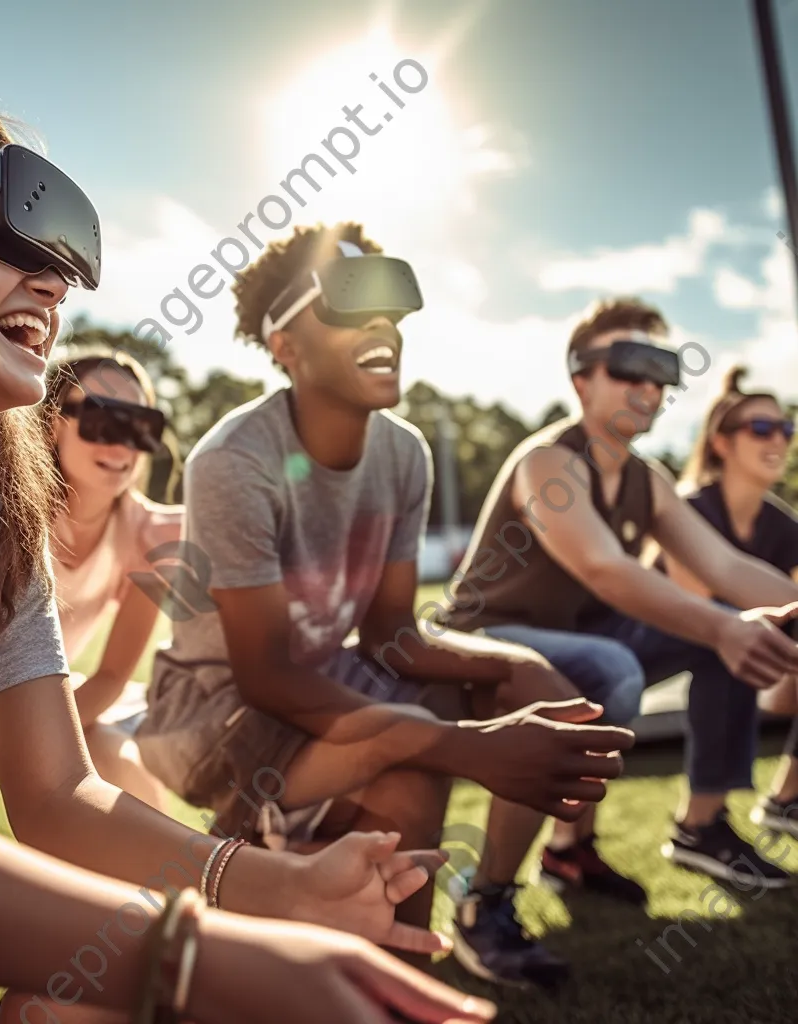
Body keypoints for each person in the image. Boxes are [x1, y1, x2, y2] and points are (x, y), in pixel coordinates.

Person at [0, 102, 501, 1024]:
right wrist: (194, 958)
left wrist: (273, 889)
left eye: (70, 250)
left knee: (101, 995)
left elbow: (60, 795)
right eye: (14, 224)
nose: (54, 278)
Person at [136, 222, 637, 991]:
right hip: (218, 712)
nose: (382, 328)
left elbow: (392, 636)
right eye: (348, 305)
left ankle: (481, 913)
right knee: (415, 763)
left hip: (324, 675)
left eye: (392, 310)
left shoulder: (404, 452)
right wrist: (468, 747)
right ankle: (361, 960)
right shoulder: (235, 459)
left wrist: (517, 671)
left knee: (525, 687)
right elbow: (267, 675)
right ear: (286, 345)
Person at [436, 297, 798, 979]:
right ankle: (484, 899)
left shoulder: (645, 479)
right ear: (581, 379)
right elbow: (605, 570)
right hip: (479, 643)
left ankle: (692, 829)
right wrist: (722, 626)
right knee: (616, 667)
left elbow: (724, 567)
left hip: (576, 640)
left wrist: (753, 616)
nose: (649, 387)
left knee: (732, 625)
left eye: (662, 373)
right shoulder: (547, 462)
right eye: (630, 367)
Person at [0, 346, 177, 811]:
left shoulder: (148, 534)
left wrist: (39, 732)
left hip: (41, 700)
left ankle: (175, 883)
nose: (122, 445)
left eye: (142, 426)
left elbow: (114, 676)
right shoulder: (10, 510)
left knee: (113, 758)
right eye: (105, 419)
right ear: (56, 422)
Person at [664, 365, 798, 839]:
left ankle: (787, 799)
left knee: (745, 631)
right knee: (732, 631)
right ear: (721, 442)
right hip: (652, 634)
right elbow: (691, 601)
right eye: (761, 428)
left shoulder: (783, 527)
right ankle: (697, 826)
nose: (778, 439)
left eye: (786, 427)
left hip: (737, 650)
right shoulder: (688, 508)